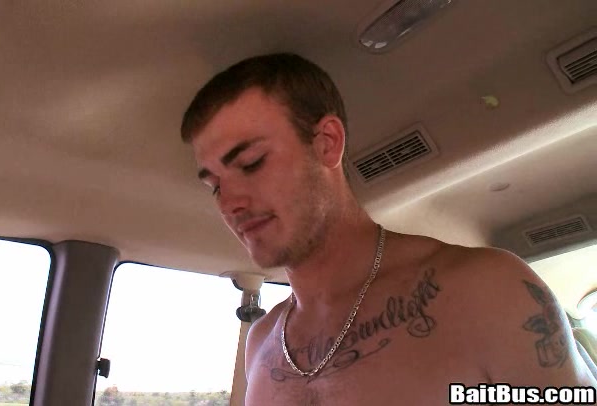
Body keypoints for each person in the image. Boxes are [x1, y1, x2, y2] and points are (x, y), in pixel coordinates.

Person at [180, 53, 596, 405]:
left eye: (251, 163)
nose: (229, 203)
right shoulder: (261, 342)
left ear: (327, 143)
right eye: (214, 185)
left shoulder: (488, 291)